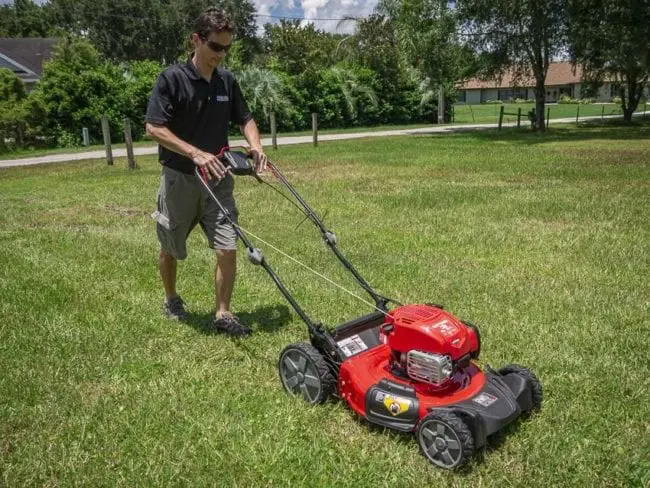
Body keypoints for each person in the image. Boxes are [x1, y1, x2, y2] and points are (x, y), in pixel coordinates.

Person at [145, 7, 267, 337]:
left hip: (219, 180)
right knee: (170, 247)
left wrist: (255, 145)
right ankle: (171, 299)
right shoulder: (172, 79)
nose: (221, 55)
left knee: (228, 247)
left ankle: (223, 313)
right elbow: (154, 128)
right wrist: (195, 153)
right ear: (196, 40)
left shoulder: (227, 81)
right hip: (180, 179)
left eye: (227, 48)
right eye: (216, 47)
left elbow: (246, 119)